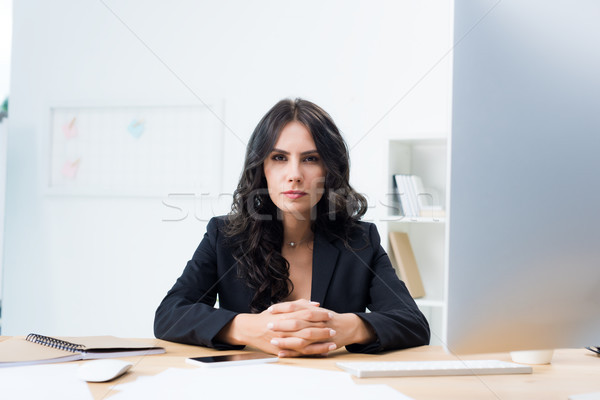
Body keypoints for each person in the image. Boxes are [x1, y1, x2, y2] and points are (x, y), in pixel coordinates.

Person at [154, 98, 430, 357]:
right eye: (279, 158)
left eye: (310, 159)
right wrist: (247, 328)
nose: (295, 175)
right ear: (261, 168)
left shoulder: (359, 240)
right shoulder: (224, 236)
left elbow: (413, 323)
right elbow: (169, 315)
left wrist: (347, 327)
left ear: (329, 170)